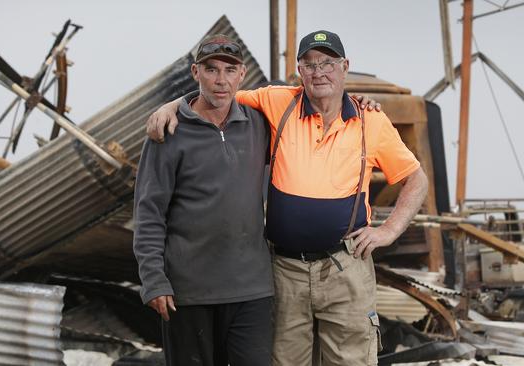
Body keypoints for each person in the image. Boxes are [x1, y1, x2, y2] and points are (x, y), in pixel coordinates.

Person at [147, 30, 427, 366]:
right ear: (299, 71)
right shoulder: (278, 102)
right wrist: (172, 105)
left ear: (345, 67)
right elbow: (218, 92)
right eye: (309, 64)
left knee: (350, 361)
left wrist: (389, 231)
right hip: (285, 271)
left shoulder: (371, 120)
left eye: (327, 63)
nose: (318, 71)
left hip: (346, 268)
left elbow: (415, 178)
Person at [133, 34, 275, 366]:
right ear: (196, 73)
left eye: (230, 70)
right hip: (188, 292)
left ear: (242, 75)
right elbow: (149, 212)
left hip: (251, 288)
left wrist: (357, 101)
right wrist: (153, 280)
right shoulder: (168, 132)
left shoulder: (259, 124)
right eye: (211, 70)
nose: (221, 80)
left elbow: (311, 100)